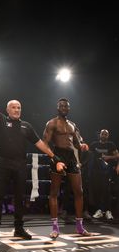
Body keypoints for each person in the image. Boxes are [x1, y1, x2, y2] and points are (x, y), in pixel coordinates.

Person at [0, 83, 65, 241]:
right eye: (14, 107)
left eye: (19, 107)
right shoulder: (1, 120)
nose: (17, 110)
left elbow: (40, 144)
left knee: (19, 198)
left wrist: (55, 157)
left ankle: (19, 229)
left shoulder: (26, 126)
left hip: (20, 165)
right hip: (3, 163)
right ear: (7, 110)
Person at [43, 98, 91, 238]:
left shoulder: (72, 125)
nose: (64, 108)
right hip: (58, 155)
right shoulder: (51, 123)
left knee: (79, 191)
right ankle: (55, 227)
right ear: (57, 108)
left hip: (71, 157)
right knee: (54, 192)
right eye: (62, 106)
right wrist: (54, 158)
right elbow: (44, 144)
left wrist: (82, 145)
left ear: (69, 109)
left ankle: (79, 226)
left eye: (66, 106)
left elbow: (77, 143)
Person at [89, 129, 119, 220]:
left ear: (108, 136)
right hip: (95, 171)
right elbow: (88, 155)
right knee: (97, 190)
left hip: (107, 171)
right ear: (100, 135)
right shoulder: (94, 144)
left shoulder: (111, 145)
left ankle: (108, 211)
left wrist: (108, 157)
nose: (104, 135)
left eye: (106, 134)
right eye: (103, 134)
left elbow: (117, 155)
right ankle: (99, 210)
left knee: (107, 190)